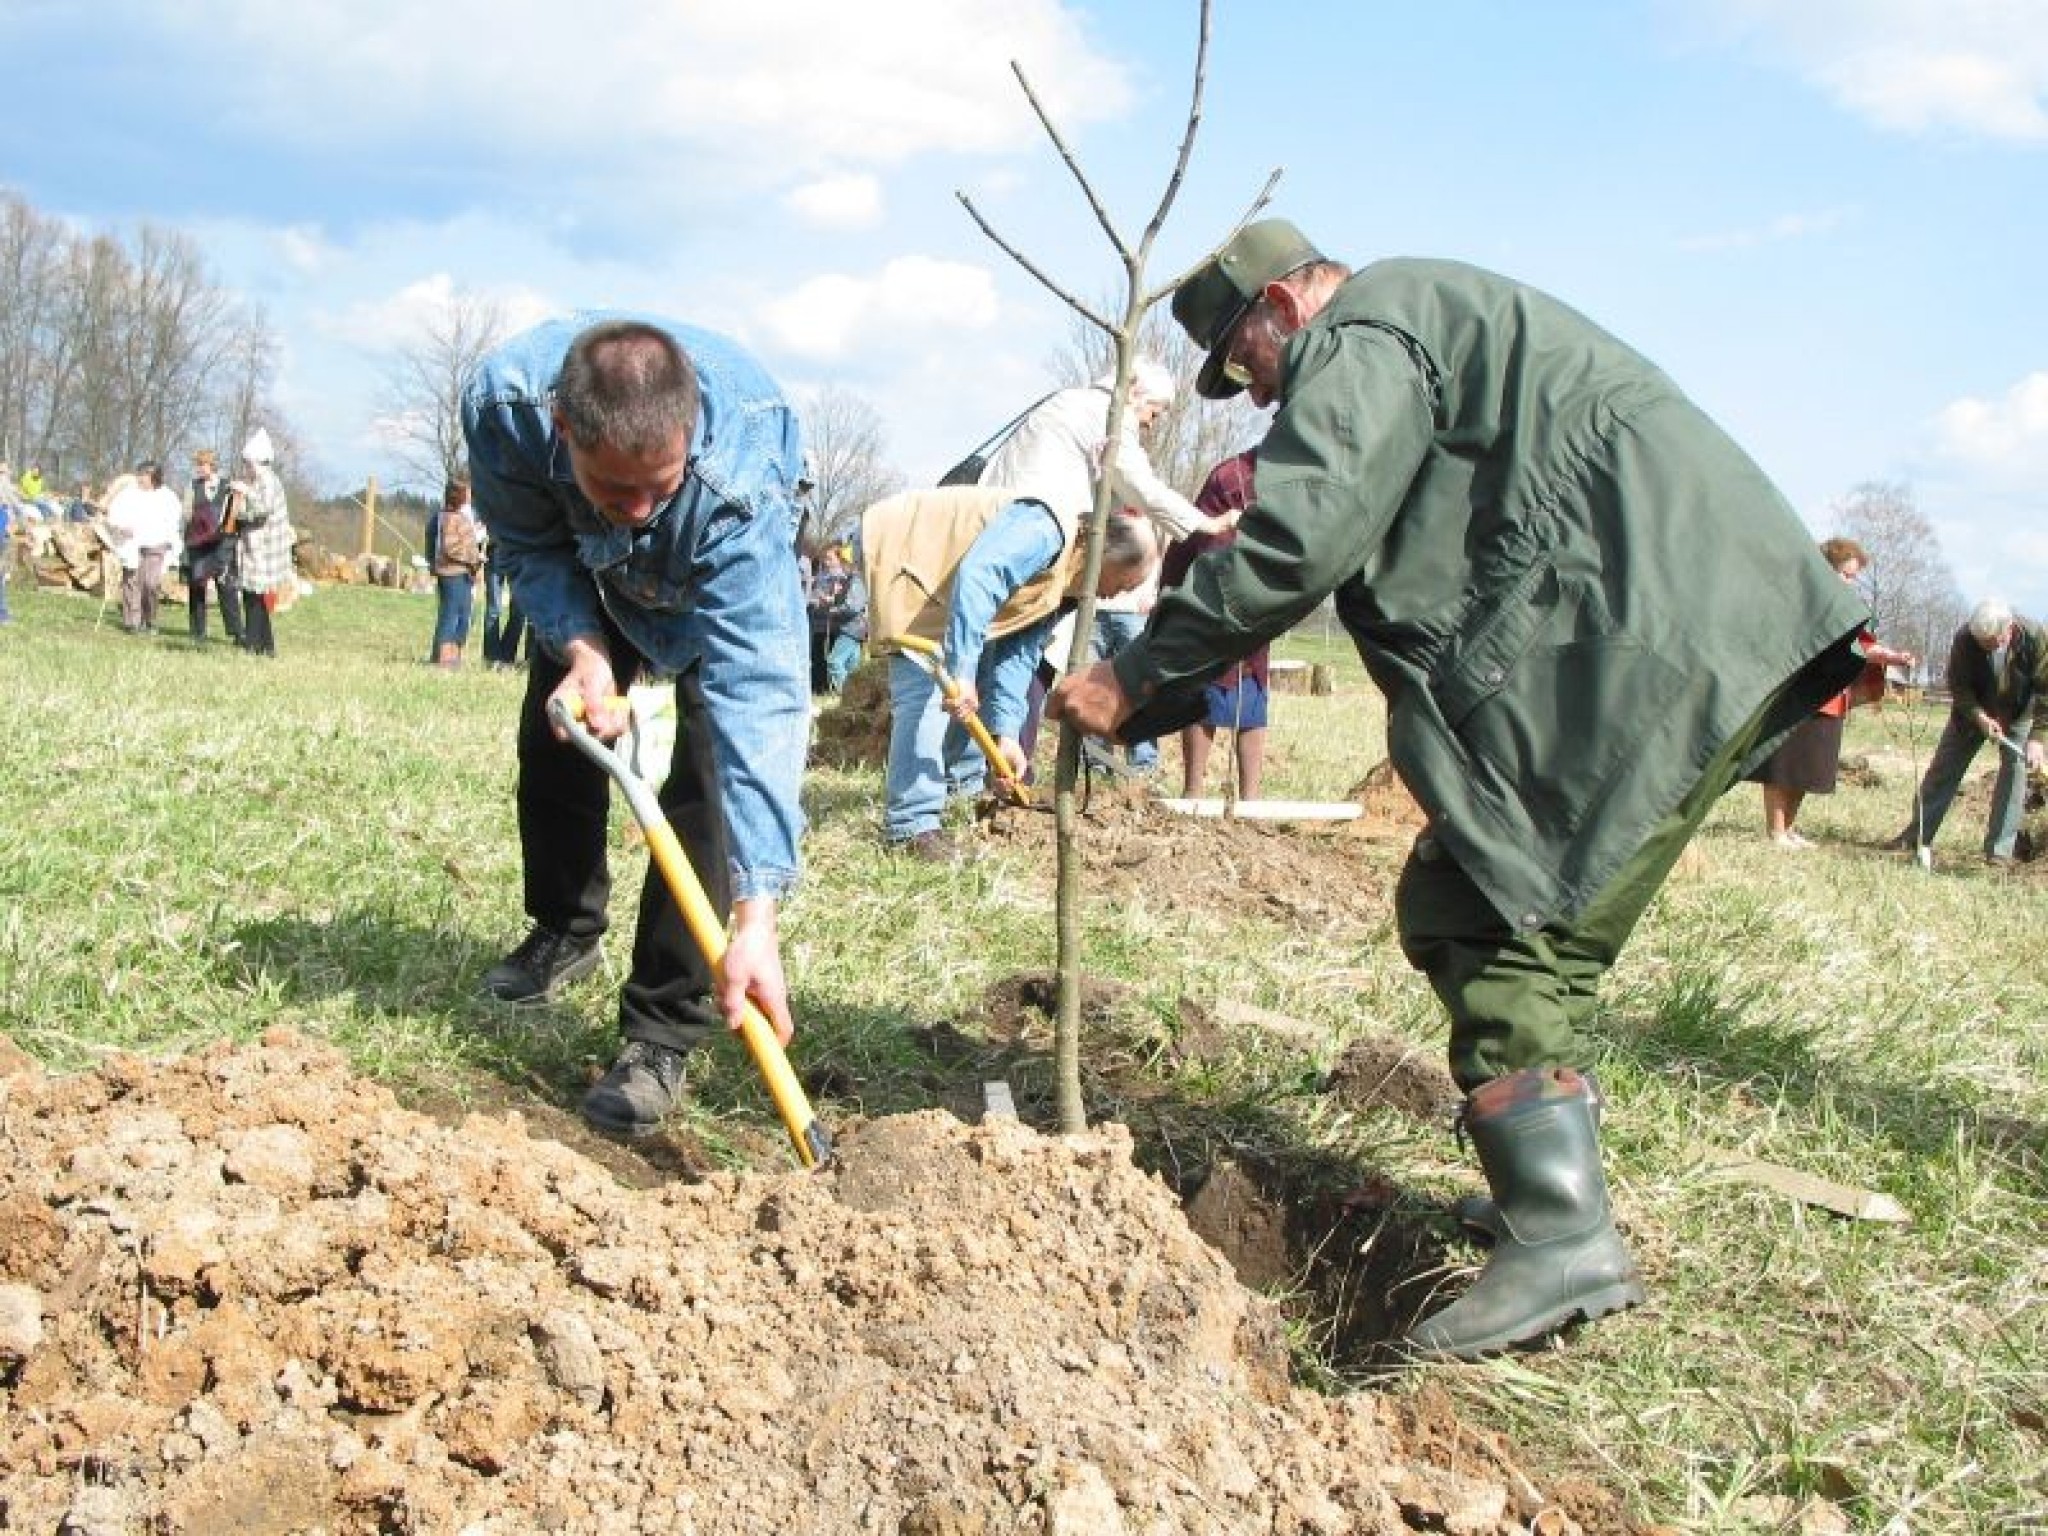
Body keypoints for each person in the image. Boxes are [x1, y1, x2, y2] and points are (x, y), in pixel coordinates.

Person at [1047, 218, 1872, 1362]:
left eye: (1245, 367)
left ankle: (1563, 1232)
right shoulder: (1426, 315)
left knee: (1481, 904)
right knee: (1536, 919)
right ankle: (1548, 1192)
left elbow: (1302, 537)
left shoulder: (1366, 332)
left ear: (1283, 310)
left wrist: (1133, 674)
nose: (1254, 399)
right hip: (1691, 618)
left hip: (1643, 631)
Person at [462, 314, 809, 1140]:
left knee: (710, 776)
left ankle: (660, 1032)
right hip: (582, 569)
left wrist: (756, 916)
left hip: (705, 574)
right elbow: (526, 544)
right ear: (563, 430)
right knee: (555, 736)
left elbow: (759, 692)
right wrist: (585, 650)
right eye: (619, 491)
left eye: (662, 484)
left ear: (688, 432)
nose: (643, 511)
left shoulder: (738, 477)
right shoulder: (504, 407)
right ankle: (564, 928)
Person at [861, 485, 1159, 861]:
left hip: (946, 585)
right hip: (906, 554)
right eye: (1124, 584)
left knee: (976, 669)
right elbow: (979, 576)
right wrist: (963, 670)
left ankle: (962, 792)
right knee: (928, 682)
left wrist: (1006, 734)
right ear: (1106, 554)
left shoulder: (1067, 581)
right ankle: (910, 827)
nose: (1115, 597)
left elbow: (1017, 653)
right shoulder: (1046, 530)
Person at [980, 358, 1238, 777]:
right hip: (1040, 548)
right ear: (1133, 391)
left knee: (1012, 658)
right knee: (1022, 656)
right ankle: (991, 766)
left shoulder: (1061, 406)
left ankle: (989, 764)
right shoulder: (1105, 415)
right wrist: (1204, 523)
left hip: (1007, 540)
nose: (1152, 424)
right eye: (1155, 412)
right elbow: (1140, 487)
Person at [1748, 537, 1915, 848]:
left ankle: (1790, 829)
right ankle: (1775, 830)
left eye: (1853, 577)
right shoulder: (1802, 601)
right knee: (1783, 763)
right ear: (1827, 570)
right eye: (1845, 575)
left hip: (1830, 697)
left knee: (1807, 765)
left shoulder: (1847, 609)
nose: (1850, 582)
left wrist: (1891, 656)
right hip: (1797, 693)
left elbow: (1861, 644)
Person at [1885, 599, 2047, 866]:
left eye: (1993, 641)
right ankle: (1916, 836)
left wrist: (2038, 739)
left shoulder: (2035, 637)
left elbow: (2045, 691)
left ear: (2010, 629)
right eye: (1982, 642)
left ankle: (1999, 851)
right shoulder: (1965, 638)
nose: (1987, 646)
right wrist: (1980, 717)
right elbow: (1959, 686)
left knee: (2014, 773)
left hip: (2018, 712)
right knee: (1943, 770)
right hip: (1973, 713)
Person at [1161, 447, 1270, 801]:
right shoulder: (1230, 474)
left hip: (1261, 601)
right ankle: (1193, 791)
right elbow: (1197, 534)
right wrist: (1172, 588)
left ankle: (1250, 798)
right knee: (1203, 690)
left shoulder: (1288, 478)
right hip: (1211, 597)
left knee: (1252, 694)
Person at [229, 428, 293, 656]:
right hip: (254, 547)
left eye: (248, 463)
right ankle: (267, 646)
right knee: (251, 595)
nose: (246, 468)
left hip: (265, 549)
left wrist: (245, 493)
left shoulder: (268, 481)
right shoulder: (258, 481)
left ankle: (253, 643)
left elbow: (261, 509)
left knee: (255, 597)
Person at [106, 460, 182, 635]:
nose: (140, 478)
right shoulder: (129, 494)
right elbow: (114, 515)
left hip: (156, 544)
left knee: (150, 583)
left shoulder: (167, 496)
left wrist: (170, 540)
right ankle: (132, 621)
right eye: (139, 474)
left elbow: (173, 521)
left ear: (154, 477)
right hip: (132, 543)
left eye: (145, 475)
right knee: (132, 581)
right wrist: (121, 526)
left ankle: (150, 619)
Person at [182, 449, 243, 645]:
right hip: (198, 543)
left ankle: (237, 632)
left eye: (203, 464)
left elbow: (235, 515)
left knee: (226, 587)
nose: (199, 468)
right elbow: (186, 514)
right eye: (197, 464)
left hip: (221, 544)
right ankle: (197, 632)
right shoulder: (192, 486)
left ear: (212, 466)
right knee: (197, 588)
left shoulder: (228, 487)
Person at [427, 476, 483, 668]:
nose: (469, 494)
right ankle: (444, 658)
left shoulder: (459, 516)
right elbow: (450, 548)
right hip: (452, 574)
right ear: (458, 494)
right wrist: (473, 557)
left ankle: (455, 656)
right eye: (467, 491)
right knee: (451, 615)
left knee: (464, 615)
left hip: (463, 573)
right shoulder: (450, 518)